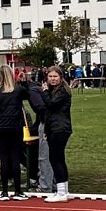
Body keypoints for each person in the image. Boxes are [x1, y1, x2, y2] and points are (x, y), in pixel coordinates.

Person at [0, 66, 40, 201]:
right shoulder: (18, 90)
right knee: (15, 157)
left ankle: (4, 191)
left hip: (1, 127)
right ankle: (18, 191)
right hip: (15, 126)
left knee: (4, 158)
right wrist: (25, 81)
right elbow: (28, 94)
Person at [40, 66, 73, 202]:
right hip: (55, 128)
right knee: (59, 158)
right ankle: (64, 189)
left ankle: (61, 192)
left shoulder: (62, 92)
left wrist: (45, 92)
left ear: (60, 77)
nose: (52, 79)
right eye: (50, 77)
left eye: (55, 76)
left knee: (55, 159)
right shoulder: (55, 91)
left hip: (60, 128)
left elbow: (51, 105)